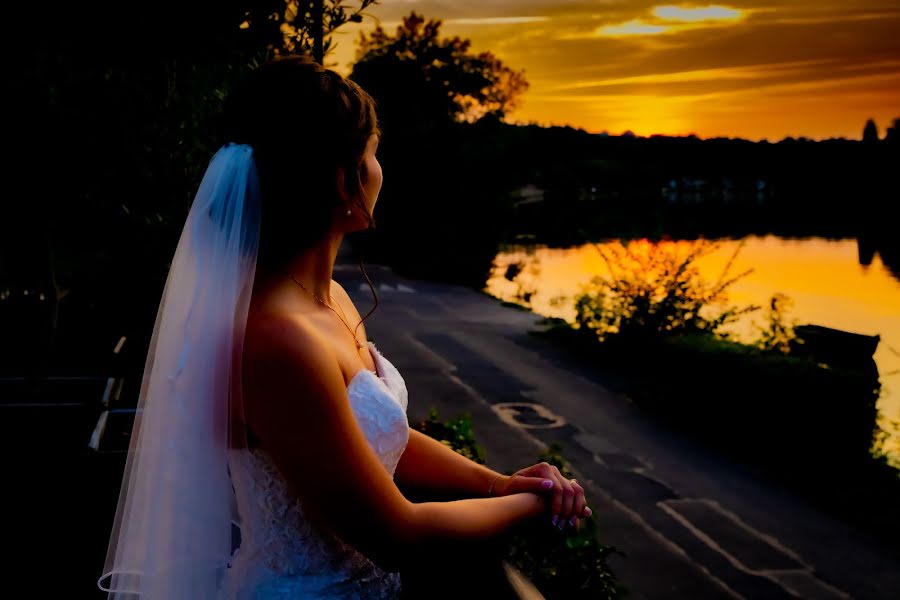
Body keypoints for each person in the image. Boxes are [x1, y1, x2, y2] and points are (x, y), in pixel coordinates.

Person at [98, 53, 591, 600]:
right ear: (344, 180)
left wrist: (501, 482)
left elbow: (372, 437)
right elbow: (396, 534)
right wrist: (532, 505)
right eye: (374, 154)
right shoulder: (274, 338)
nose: (382, 170)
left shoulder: (328, 298)